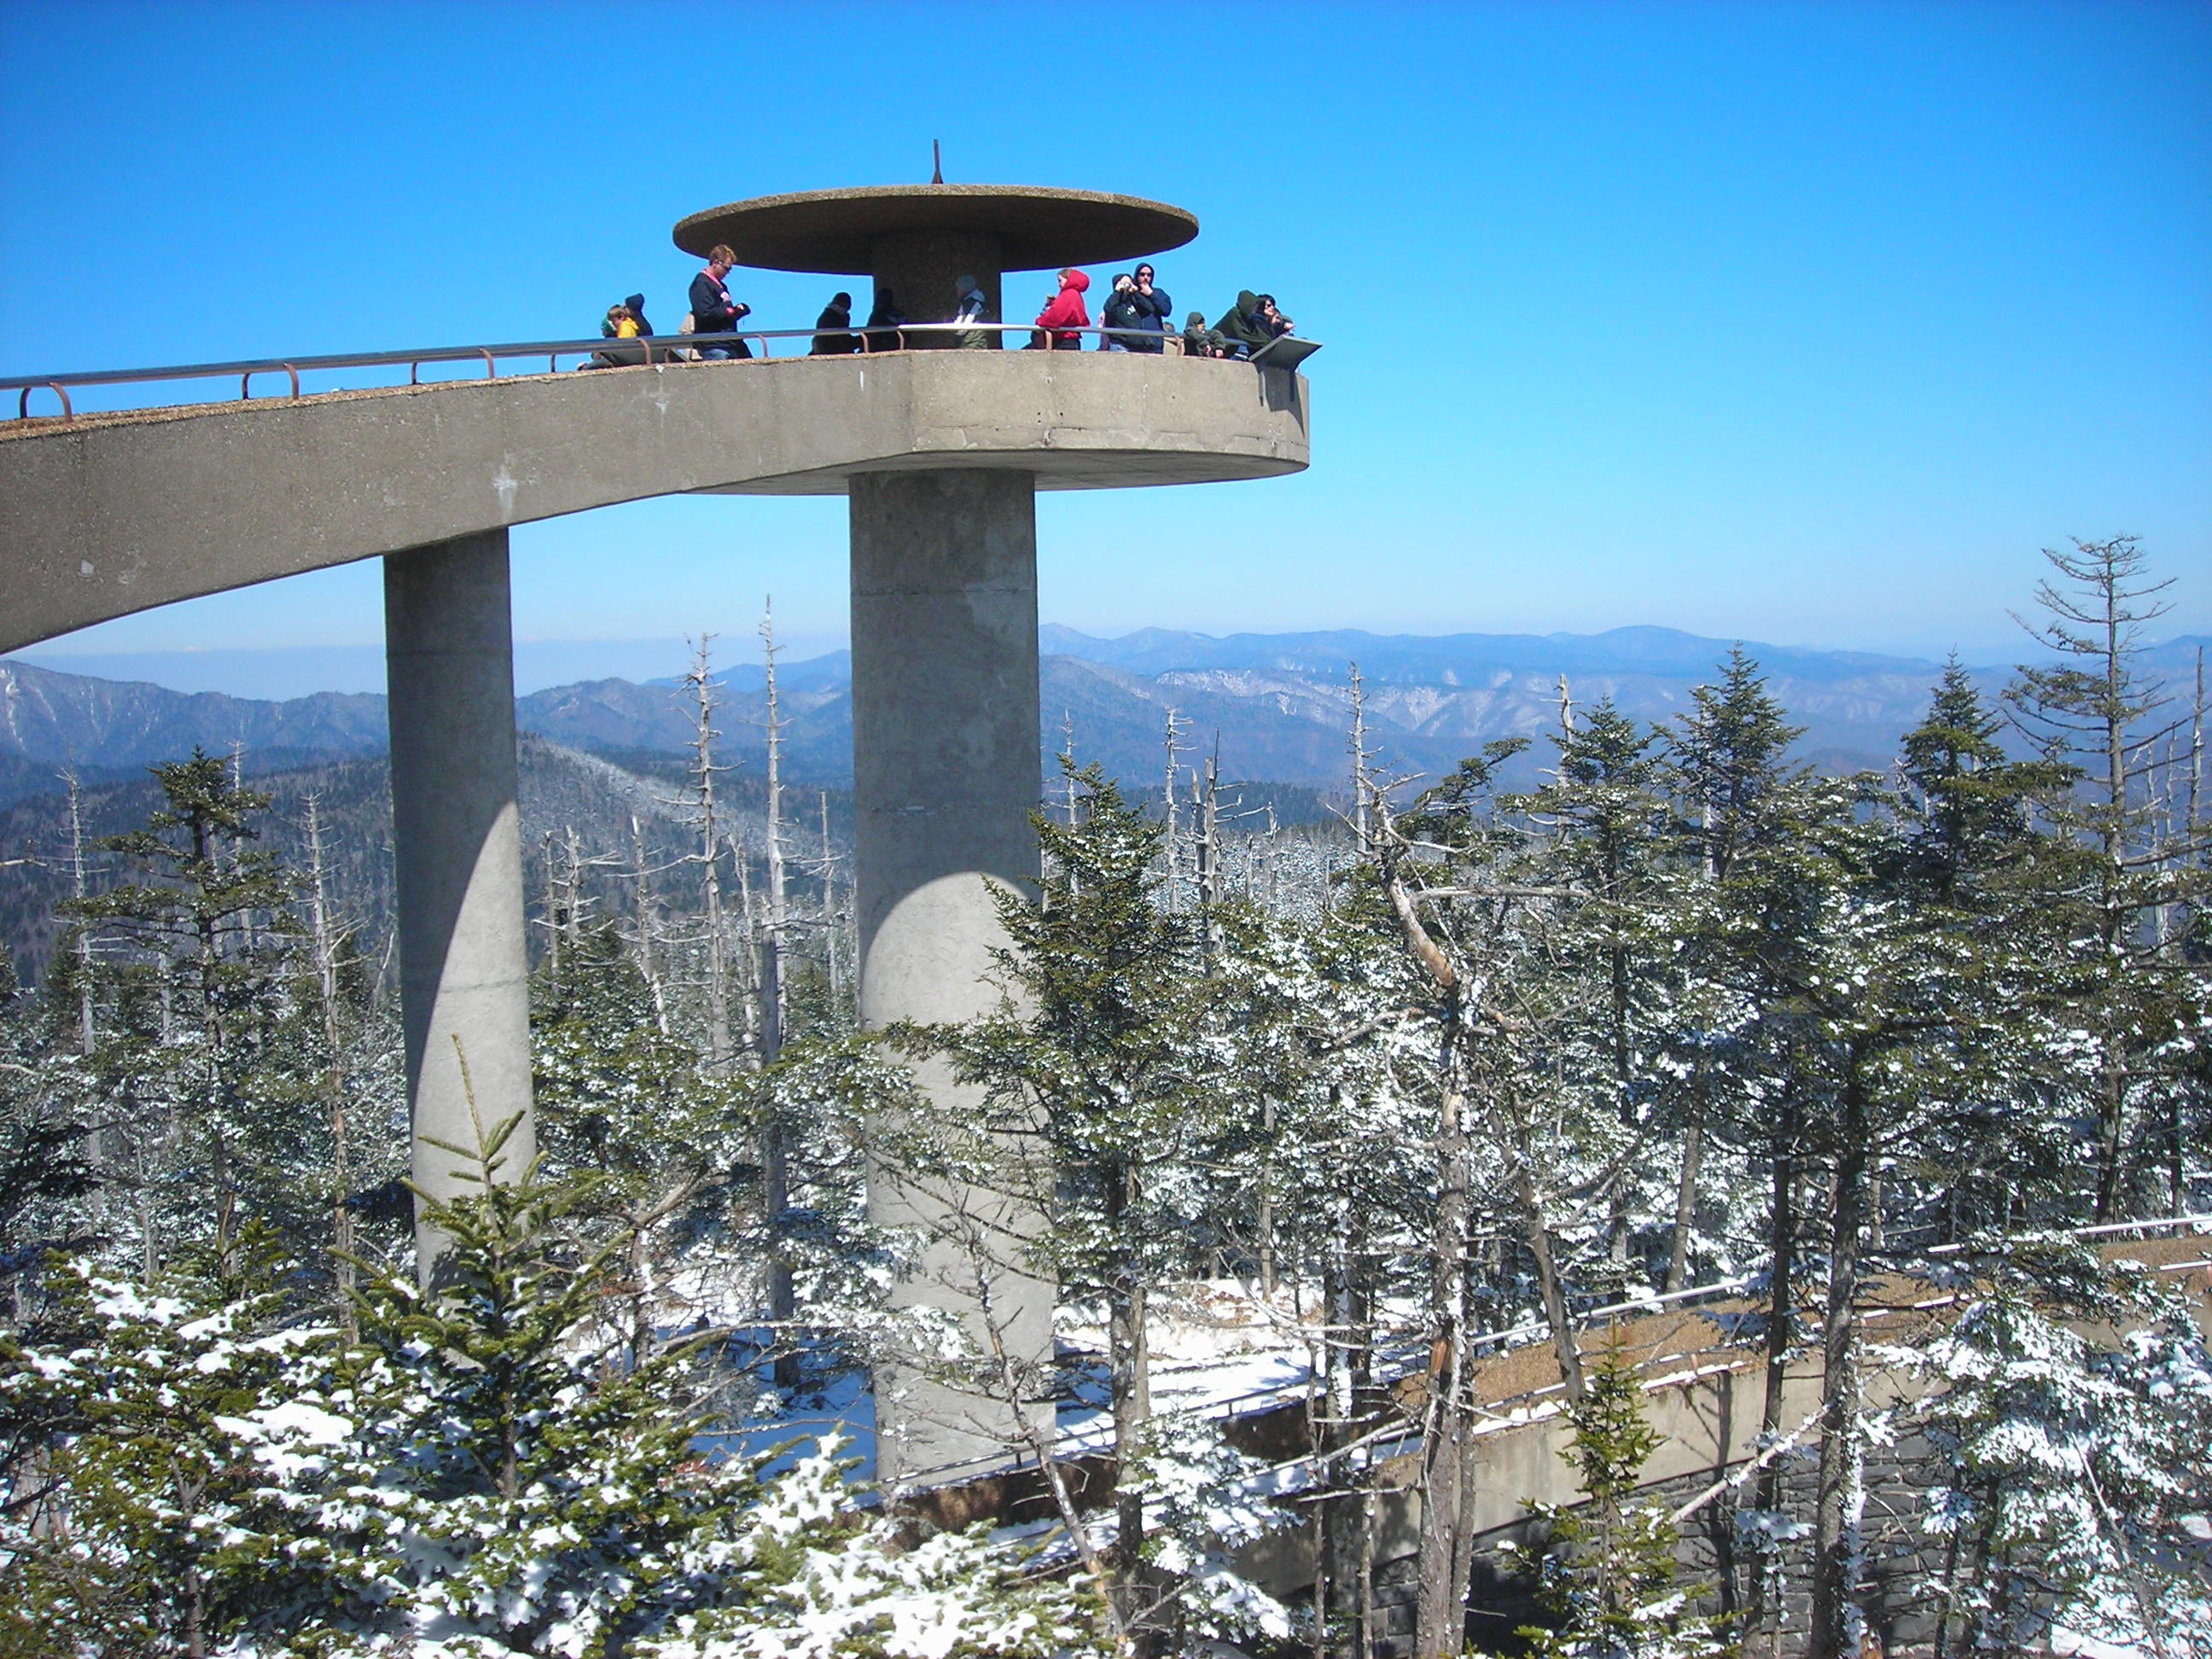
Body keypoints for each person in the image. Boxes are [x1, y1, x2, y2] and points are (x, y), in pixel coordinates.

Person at [690, 245, 753, 359]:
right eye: (726, 268)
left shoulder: (722, 286)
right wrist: (729, 311)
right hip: (714, 345)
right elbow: (705, 313)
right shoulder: (700, 284)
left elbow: (724, 314)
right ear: (715, 263)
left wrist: (738, 311)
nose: (728, 273)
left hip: (732, 344)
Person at [1031, 267, 1090, 350]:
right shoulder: (1075, 294)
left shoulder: (1069, 294)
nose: (1058, 284)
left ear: (1068, 279)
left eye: (1060, 280)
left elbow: (1056, 315)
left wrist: (1040, 321)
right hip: (1070, 340)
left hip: (1063, 341)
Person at [1213, 289, 1273, 357]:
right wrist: (1264, 342)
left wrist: (1269, 341)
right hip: (1215, 349)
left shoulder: (1249, 317)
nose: (1255, 309)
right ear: (1247, 304)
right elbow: (1242, 335)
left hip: (1228, 352)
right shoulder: (1235, 313)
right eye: (1254, 306)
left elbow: (1257, 333)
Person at [1129, 263, 1172, 353]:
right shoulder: (1130, 294)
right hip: (1134, 345)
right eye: (1142, 274)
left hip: (1154, 345)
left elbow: (1166, 310)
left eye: (1149, 275)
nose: (1145, 277)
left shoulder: (1158, 293)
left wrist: (1151, 294)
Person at [1099, 272, 1144, 351]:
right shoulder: (1114, 303)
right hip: (1120, 346)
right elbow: (1108, 308)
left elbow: (1149, 309)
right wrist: (1117, 291)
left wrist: (1136, 293)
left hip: (1136, 347)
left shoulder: (1133, 302)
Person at [811, 291, 858, 355]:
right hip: (832, 353)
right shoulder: (831, 319)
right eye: (844, 307)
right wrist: (864, 339)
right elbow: (844, 341)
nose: (845, 311)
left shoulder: (830, 317)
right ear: (836, 306)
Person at [952, 275, 989, 350]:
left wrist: (953, 329)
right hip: (975, 342)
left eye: (959, 289)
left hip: (973, 343)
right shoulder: (978, 301)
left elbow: (964, 326)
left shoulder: (971, 303)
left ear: (964, 289)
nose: (957, 292)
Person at [864, 288, 907, 352]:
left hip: (882, 349)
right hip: (901, 347)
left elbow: (870, 333)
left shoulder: (878, 314)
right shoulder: (901, 314)